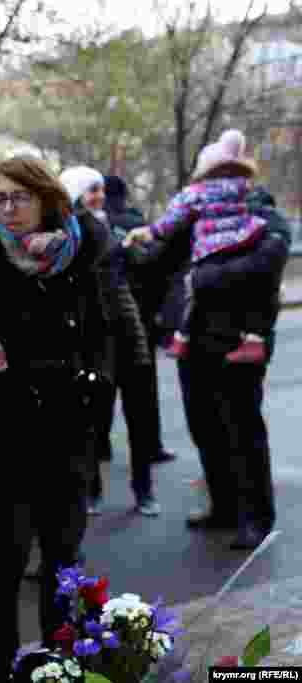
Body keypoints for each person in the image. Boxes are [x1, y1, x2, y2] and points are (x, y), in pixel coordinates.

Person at [0, 156, 113, 683]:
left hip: (69, 424)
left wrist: (95, 380)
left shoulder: (78, 251)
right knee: (8, 556)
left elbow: (100, 330)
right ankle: (2, 668)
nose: (9, 208)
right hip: (8, 425)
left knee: (64, 556)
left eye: (19, 197)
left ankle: (59, 666)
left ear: (46, 199)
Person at [144, 166, 290, 550]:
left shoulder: (258, 210)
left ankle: (256, 518)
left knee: (242, 432)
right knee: (204, 427)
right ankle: (224, 505)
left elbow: (268, 262)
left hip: (235, 336)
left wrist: (207, 276)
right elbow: (160, 262)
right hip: (192, 339)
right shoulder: (190, 215)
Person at [60, 165, 159, 517]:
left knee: (140, 418)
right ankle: (91, 491)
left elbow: (146, 263)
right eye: (91, 190)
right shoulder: (73, 232)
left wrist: (132, 247)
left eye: (101, 189)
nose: (99, 196)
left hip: (128, 331)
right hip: (94, 339)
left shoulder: (116, 229)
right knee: (94, 420)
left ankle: (144, 490)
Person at [125, 129, 272, 364]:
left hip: (210, 246)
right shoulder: (245, 188)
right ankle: (254, 338)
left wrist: (149, 232)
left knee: (193, 288)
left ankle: (183, 336)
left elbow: (170, 222)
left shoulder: (196, 193)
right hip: (245, 237)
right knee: (250, 291)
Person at [103, 175, 178, 466]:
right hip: (139, 315)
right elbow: (155, 267)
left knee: (103, 385)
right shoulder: (135, 222)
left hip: (106, 316)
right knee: (143, 391)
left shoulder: (93, 224)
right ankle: (150, 446)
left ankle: (100, 447)